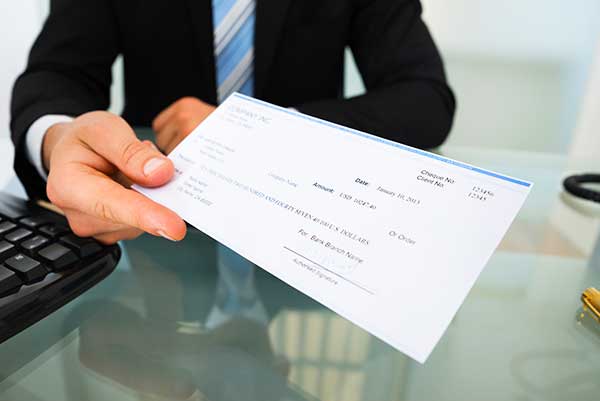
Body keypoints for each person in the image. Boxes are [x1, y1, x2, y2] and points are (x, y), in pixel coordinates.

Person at [10, 0, 455, 244]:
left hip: (304, 228)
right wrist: (58, 140)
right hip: (154, 228)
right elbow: (58, 74)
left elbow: (425, 98)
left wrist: (261, 131)